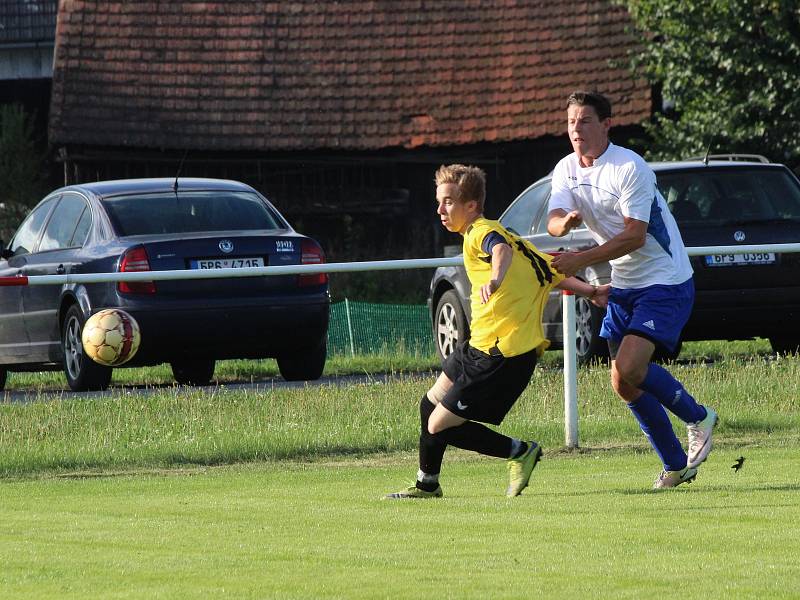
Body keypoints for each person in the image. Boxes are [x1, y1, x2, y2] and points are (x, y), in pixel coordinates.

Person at [386, 164, 609, 499]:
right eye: (439, 201)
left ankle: (520, 451)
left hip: (503, 353)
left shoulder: (482, 234)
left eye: (448, 202)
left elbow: (499, 252)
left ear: (471, 205)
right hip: (478, 345)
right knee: (428, 405)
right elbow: (550, 271)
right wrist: (591, 292)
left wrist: (495, 278)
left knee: (439, 425)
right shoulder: (513, 238)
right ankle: (427, 484)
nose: (440, 210)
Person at [547, 91, 718, 490]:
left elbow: (635, 236)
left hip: (665, 279)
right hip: (624, 282)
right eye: (571, 122)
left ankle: (698, 417)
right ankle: (676, 464)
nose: (576, 130)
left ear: (607, 125)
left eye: (585, 121)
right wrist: (565, 224)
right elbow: (554, 219)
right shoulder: (566, 169)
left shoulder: (629, 166)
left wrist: (580, 258)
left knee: (629, 367)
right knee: (622, 382)